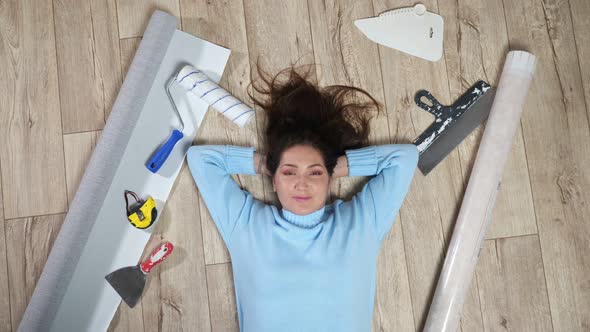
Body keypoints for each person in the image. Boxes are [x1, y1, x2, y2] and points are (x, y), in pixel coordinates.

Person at [187, 66, 419, 332]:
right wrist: (267, 164)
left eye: (315, 173)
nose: (302, 183)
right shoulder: (247, 226)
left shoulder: (360, 225)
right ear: (273, 181)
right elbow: (200, 159)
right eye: (289, 172)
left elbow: (404, 158)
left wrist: (335, 166)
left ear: (330, 178)